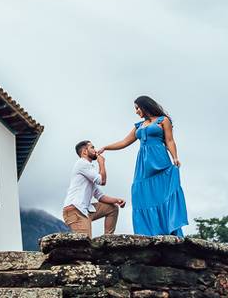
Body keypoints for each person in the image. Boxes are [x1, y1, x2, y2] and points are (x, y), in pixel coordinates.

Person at [98, 95, 189, 237]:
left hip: (161, 162)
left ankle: (169, 230)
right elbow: (124, 142)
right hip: (143, 166)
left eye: (137, 108)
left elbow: (170, 141)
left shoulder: (163, 120)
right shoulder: (138, 126)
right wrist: (106, 147)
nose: (136, 111)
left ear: (145, 106)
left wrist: (175, 157)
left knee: (163, 196)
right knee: (141, 195)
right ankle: (148, 234)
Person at [62, 140, 127, 237]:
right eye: (92, 147)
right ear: (84, 151)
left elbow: (100, 196)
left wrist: (117, 200)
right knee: (85, 245)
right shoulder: (82, 164)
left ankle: (107, 239)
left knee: (112, 208)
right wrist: (101, 163)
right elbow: (102, 181)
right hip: (75, 211)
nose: (95, 150)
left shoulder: (89, 170)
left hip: (85, 209)